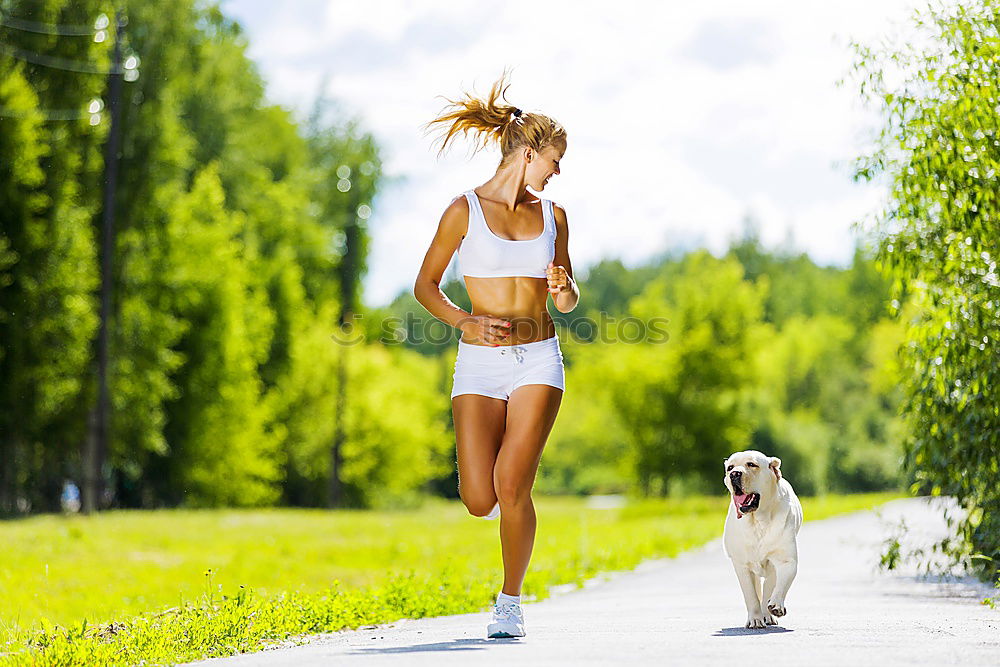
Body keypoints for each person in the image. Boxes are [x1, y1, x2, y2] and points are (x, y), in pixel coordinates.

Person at [413, 72, 580, 639]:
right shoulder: (464, 211)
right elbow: (426, 286)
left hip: (539, 358)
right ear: (529, 152)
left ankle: (509, 601)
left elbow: (567, 296)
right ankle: (504, 568)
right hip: (478, 364)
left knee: (513, 485)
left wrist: (561, 289)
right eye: (554, 160)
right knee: (478, 498)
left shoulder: (553, 216)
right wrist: (465, 322)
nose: (557, 172)